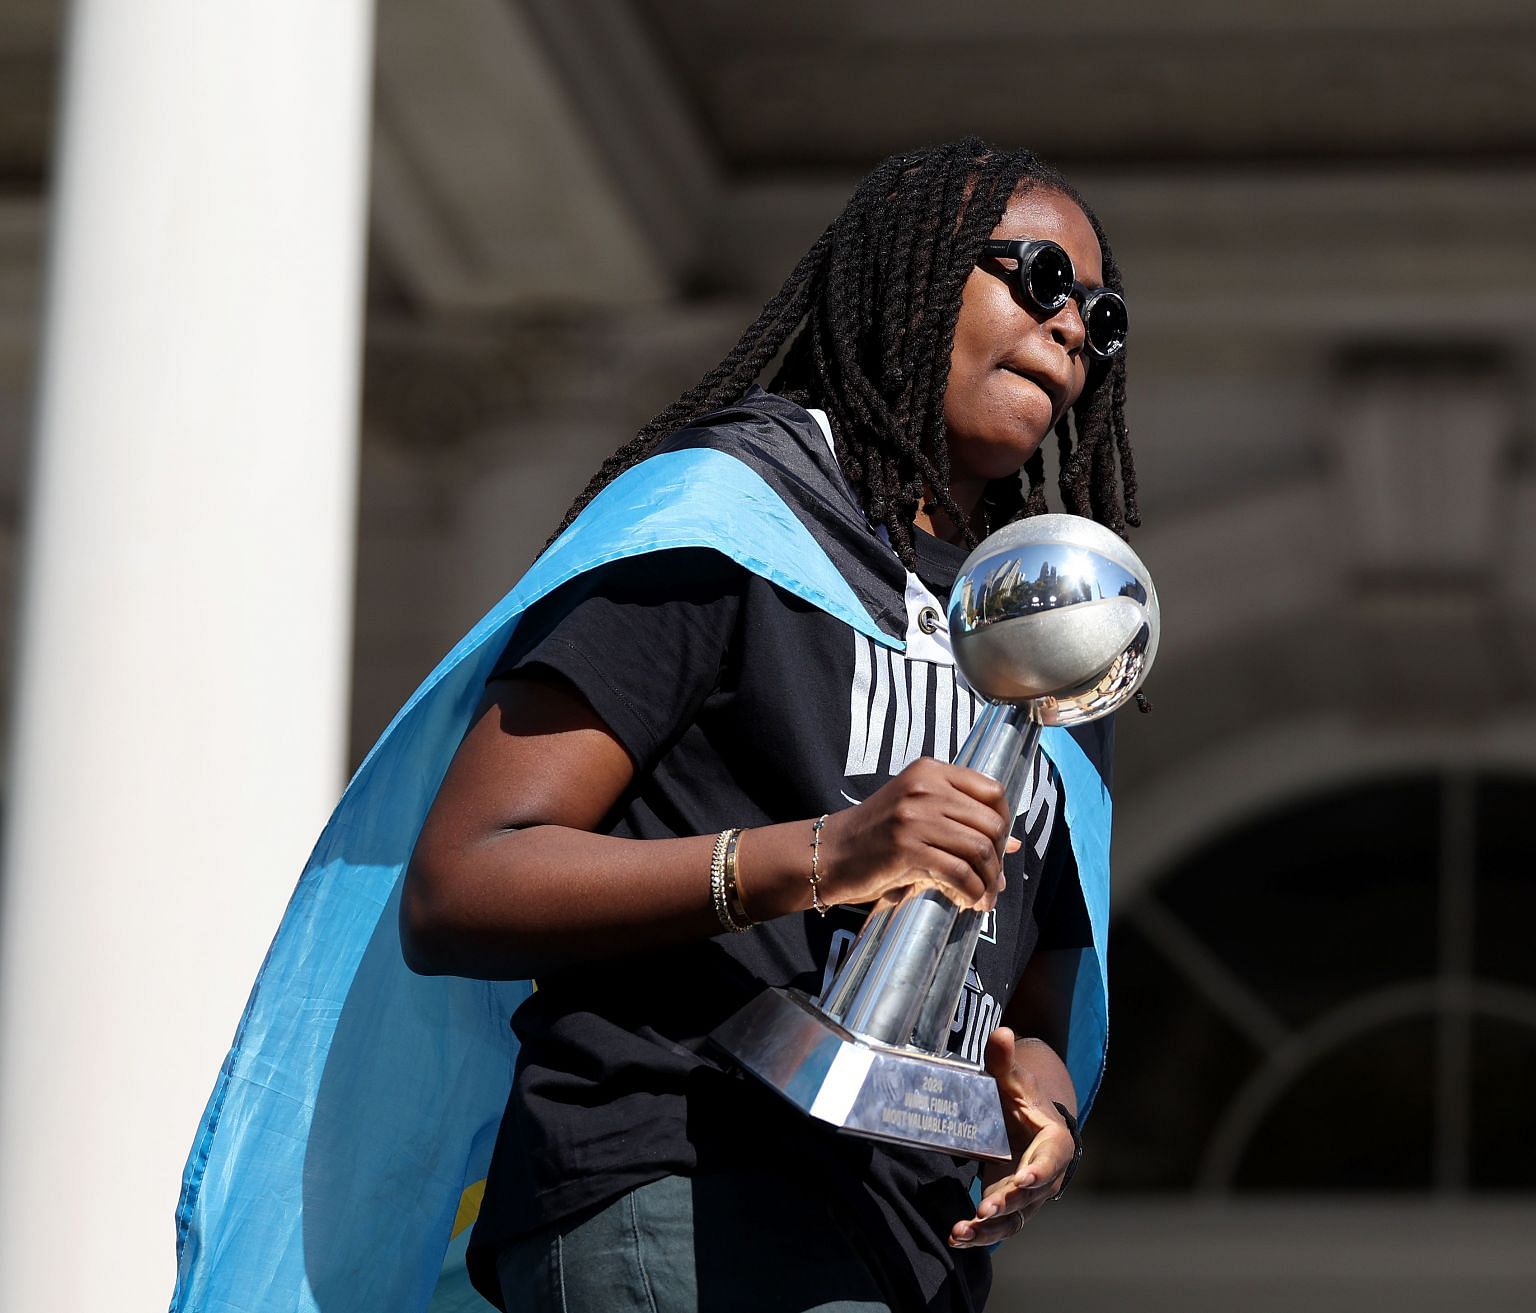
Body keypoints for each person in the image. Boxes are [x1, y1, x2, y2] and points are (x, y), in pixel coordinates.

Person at [170, 138, 1136, 1313]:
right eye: (1038, 278)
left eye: (1101, 314)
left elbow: (1031, 1000)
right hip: (678, 1188)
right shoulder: (730, 527)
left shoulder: (1052, 636)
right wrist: (826, 855)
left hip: (912, 1248)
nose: (1073, 328)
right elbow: (465, 878)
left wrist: (1043, 1104)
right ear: (920, 270)